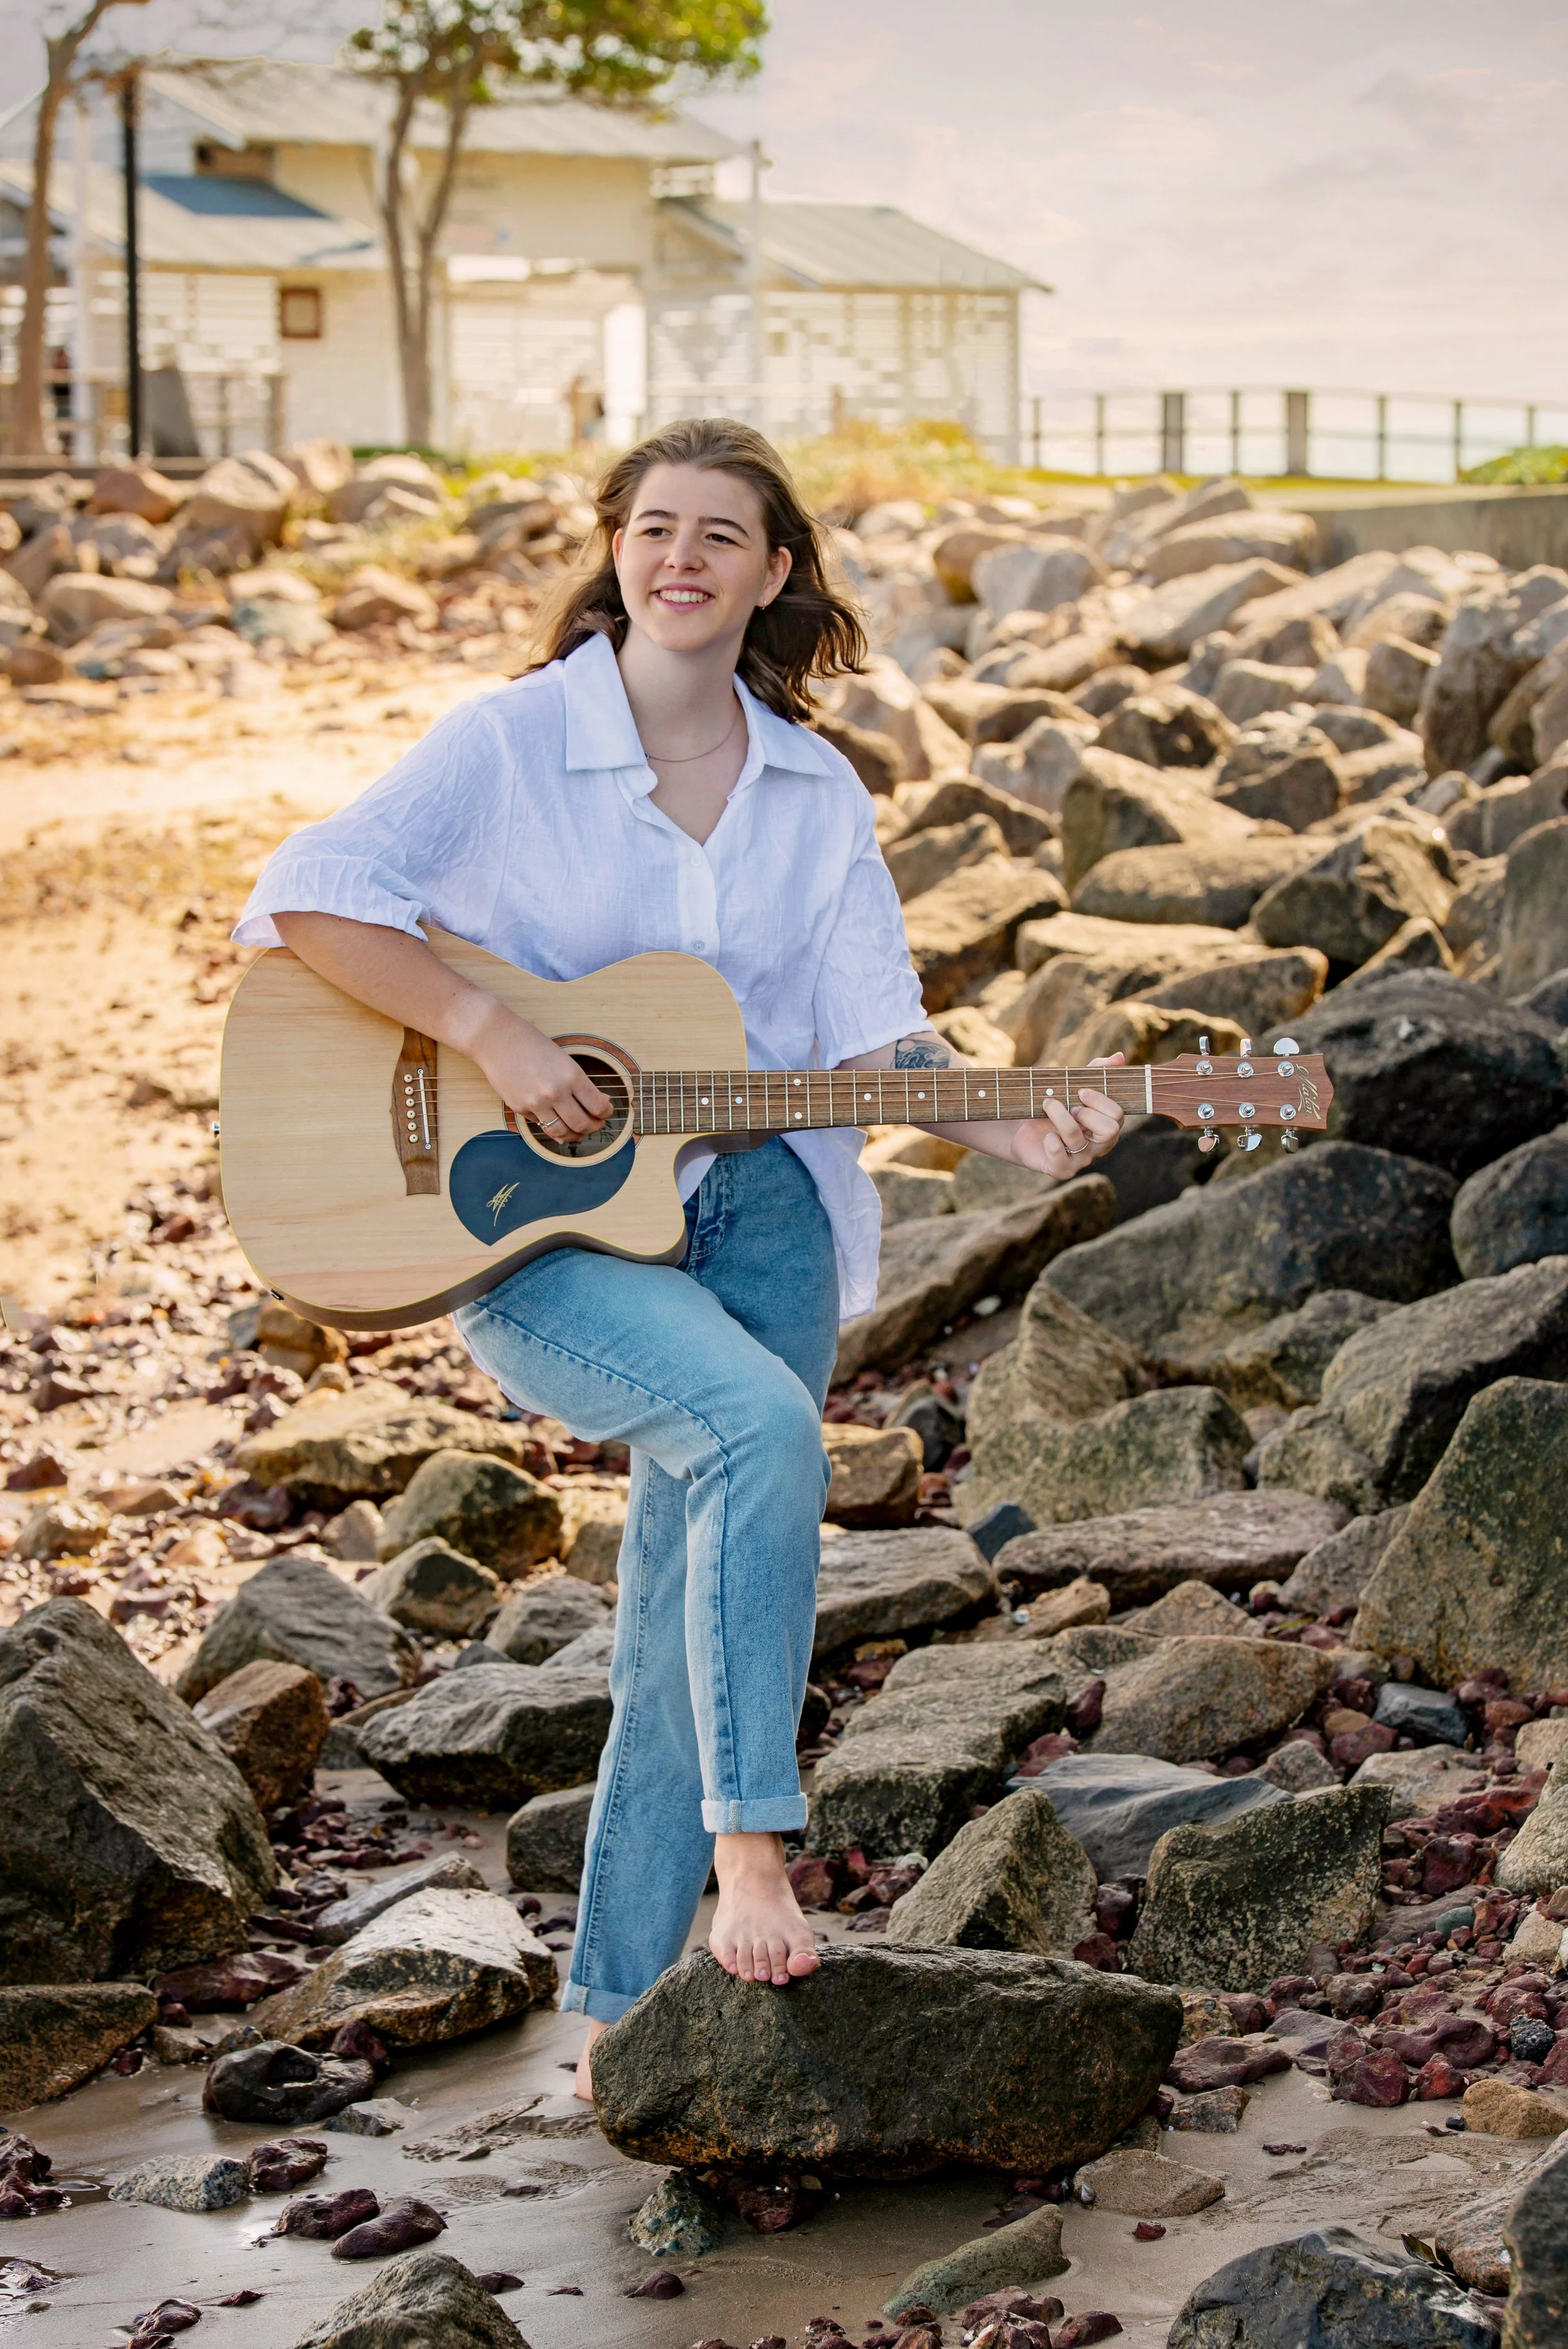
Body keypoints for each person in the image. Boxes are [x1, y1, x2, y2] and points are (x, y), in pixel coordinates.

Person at [232, 416, 1125, 2101]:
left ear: (773, 572)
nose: (681, 557)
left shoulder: (812, 785)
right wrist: (492, 1033)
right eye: (654, 527)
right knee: (756, 1435)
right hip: (526, 1219)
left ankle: (615, 2000)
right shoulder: (512, 740)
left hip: (759, 1203)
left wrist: (1012, 1126)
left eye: (721, 534)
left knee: (676, 1599)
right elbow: (306, 896)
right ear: (617, 548)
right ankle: (752, 1857)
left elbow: (873, 1040)